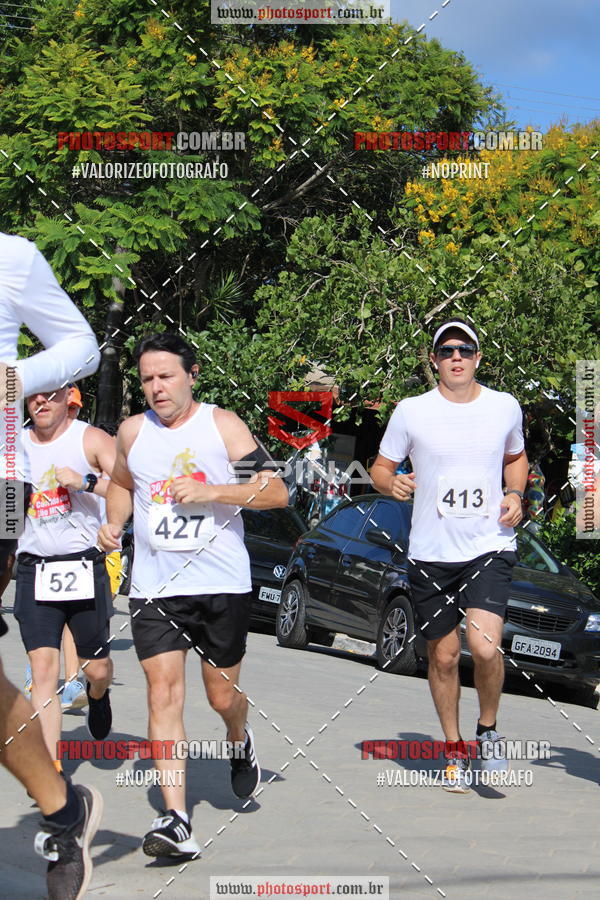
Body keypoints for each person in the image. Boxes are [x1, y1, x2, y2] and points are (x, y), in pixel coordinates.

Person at [98, 332, 288, 859]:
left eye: (166, 376)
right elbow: (122, 484)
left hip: (221, 584)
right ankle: (176, 819)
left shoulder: (222, 426)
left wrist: (213, 491)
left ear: (192, 375)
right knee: (162, 694)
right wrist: (113, 523)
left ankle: (238, 737)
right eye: (147, 379)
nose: (156, 387)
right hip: (155, 588)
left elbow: (276, 491)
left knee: (221, 697)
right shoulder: (133, 431)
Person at [371, 318, 528, 793]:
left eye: (464, 349)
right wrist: (392, 483)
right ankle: (454, 748)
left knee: (484, 646)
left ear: (478, 358)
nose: (455, 357)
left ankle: (488, 730)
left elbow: (516, 458)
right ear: (434, 360)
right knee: (441, 657)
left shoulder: (504, 406)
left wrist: (516, 493)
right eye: (446, 350)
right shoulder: (411, 411)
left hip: (489, 544)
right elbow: (380, 468)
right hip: (431, 552)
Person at [0, 232, 103, 898]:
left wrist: (13, 379)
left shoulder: (10, 258)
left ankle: (61, 811)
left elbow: (81, 347)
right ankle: (64, 808)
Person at [15, 385, 116, 764]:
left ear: (66, 398)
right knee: (43, 671)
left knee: (96, 668)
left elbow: (130, 489)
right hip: (35, 568)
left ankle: (98, 694)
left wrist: (86, 482)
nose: (41, 401)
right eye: (34, 395)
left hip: (83, 566)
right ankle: (52, 770)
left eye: (50, 394)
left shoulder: (91, 439)